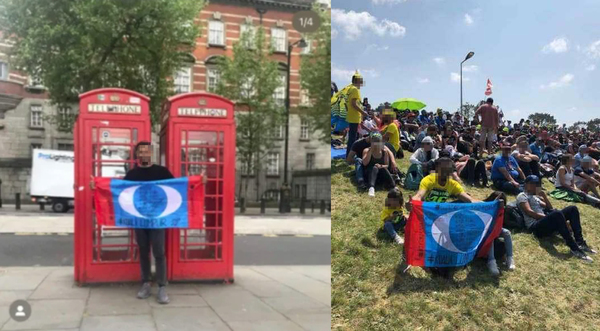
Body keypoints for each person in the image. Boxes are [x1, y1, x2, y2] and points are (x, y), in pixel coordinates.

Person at [90, 141, 173, 304]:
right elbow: (117, 191)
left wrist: (199, 181)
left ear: (151, 153)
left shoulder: (162, 171)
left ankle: (162, 287)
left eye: (146, 151)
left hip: (157, 220)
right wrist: (97, 186)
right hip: (138, 220)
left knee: (159, 252)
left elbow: (178, 188)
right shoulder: (132, 175)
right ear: (137, 155)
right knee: (143, 251)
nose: (144, 154)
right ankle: (146, 284)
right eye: (140, 151)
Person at [517, 175, 596, 262]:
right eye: (533, 184)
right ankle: (574, 248)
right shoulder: (522, 196)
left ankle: (580, 242)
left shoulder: (535, 197)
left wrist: (544, 196)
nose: (535, 186)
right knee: (556, 214)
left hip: (544, 223)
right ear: (526, 184)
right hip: (535, 227)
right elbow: (530, 212)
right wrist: (548, 217)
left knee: (572, 209)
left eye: (537, 184)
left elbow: (550, 208)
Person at [345, 71, 369, 158]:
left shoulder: (350, 89)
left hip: (351, 116)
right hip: (354, 117)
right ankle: (349, 157)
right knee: (352, 138)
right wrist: (363, 112)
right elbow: (354, 104)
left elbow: (346, 104)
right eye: (361, 81)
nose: (361, 83)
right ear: (357, 81)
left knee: (352, 137)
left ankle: (349, 155)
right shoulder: (355, 89)